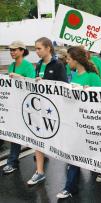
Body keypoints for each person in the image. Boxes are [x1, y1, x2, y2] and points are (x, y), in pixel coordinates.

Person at [56, 46, 101, 199]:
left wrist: (91, 92)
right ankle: (70, 187)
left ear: (75, 60)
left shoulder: (92, 77)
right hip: (77, 123)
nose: (66, 61)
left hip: (90, 124)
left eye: (68, 59)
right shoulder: (75, 76)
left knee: (92, 153)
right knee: (74, 156)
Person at [27, 37, 67, 186]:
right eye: (35, 48)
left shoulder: (58, 65)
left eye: (39, 48)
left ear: (48, 48)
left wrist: (47, 84)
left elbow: (63, 86)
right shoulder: (38, 64)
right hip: (39, 108)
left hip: (54, 111)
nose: (36, 51)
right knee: (38, 138)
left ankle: (73, 166)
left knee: (62, 141)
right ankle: (40, 172)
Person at [2, 41, 35, 174]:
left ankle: (41, 154)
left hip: (27, 106)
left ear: (22, 51)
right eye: (10, 50)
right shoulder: (11, 65)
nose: (12, 52)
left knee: (32, 132)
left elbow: (32, 84)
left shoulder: (27, 66)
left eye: (15, 50)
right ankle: (13, 161)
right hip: (15, 105)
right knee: (15, 133)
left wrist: (19, 77)